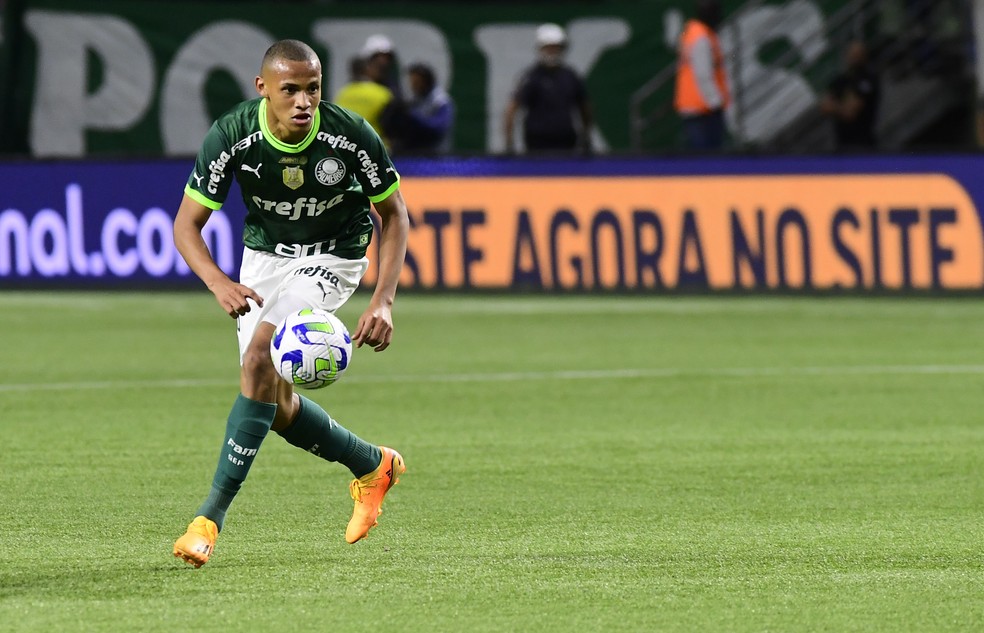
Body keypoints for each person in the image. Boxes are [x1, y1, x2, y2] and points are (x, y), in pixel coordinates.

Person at [171, 39, 410, 568]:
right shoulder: (234, 135)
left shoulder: (348, 135)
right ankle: (373, 466)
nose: (304, 101)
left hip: (334, 256)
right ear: (263, 89)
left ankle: (207, 520)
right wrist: (217, 281)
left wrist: (384, 299)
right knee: (272, 405)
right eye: (291, 90)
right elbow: (187, 225)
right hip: (263, 259)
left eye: (313, 89)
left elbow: (393, 215)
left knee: (261, 354)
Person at [502, 23, 594, 155]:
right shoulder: (531, 77)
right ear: (540, 49)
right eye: (549, 48)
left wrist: (586, 135)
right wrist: (509, 142)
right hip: (537, 142)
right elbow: (512, 108)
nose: (553, 52)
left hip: (566, 140)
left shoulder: (570, 76)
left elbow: (584, 107)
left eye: (556, 48)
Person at [674, 0, 731, 151]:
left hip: (692, 105)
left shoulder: (691, 31)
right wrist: (715, 103)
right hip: (703, 109)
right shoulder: (702, 38)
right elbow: (703, 74)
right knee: (708, 160)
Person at [821, 40, 880, 150]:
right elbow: (825, 107)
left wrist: (835, 106)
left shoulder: (868, 80)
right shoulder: (840, 81)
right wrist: (842, 107)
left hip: (862, 143)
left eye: (857, 54)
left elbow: (850, 113)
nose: (854, 58)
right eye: (852, 54)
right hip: (842, 144)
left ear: (864, 56)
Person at [386, 62, 455, 154]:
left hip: (437, 157)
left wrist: (412, 115)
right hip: (415, 154)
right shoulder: (414, 101)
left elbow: (438, 127)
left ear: (426, 81)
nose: (413, 85)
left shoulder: (441, 101)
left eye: (417, 82)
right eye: (412, 81)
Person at [333, 56, 395, 145]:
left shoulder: (342, 93)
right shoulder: (383, 94)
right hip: (375, 146)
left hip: (346, 146)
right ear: (367, 70)